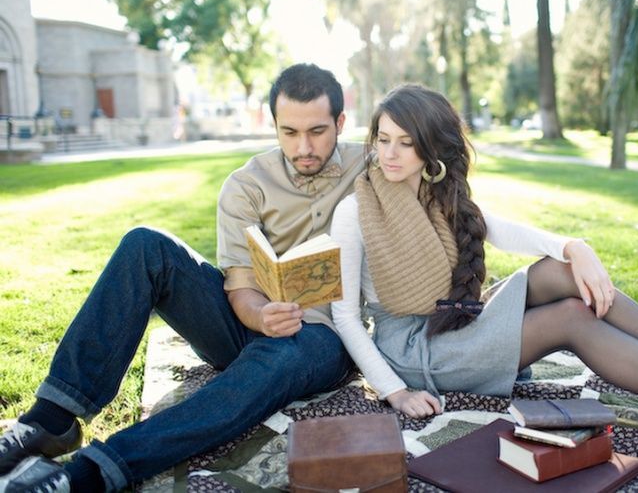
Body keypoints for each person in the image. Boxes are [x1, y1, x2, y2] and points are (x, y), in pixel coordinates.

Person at [329, 84, 638, 460]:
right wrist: (394, 393)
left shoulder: (438, 193)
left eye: (405, 143)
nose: (389, 154)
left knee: (563, 272)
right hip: (416, 349)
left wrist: (576, 247)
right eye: (383, 139)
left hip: (456, 317)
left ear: (431, 148)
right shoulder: (357, 211)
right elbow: (346, 315)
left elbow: (502, 230)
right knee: (572, 318)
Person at [0, 63, 365, 492]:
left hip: (322, 337)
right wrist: (262, 316)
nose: (303, 146)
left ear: (340, 122)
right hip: (247, 324)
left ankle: (92, 472)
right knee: (145, 245)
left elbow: (431, 160)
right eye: (289, 132)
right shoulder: (246, 184)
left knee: (286, 353)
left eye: (318, 131)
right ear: (275, 125)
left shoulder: (371, 165)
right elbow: (241, 287)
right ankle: (51, 420)